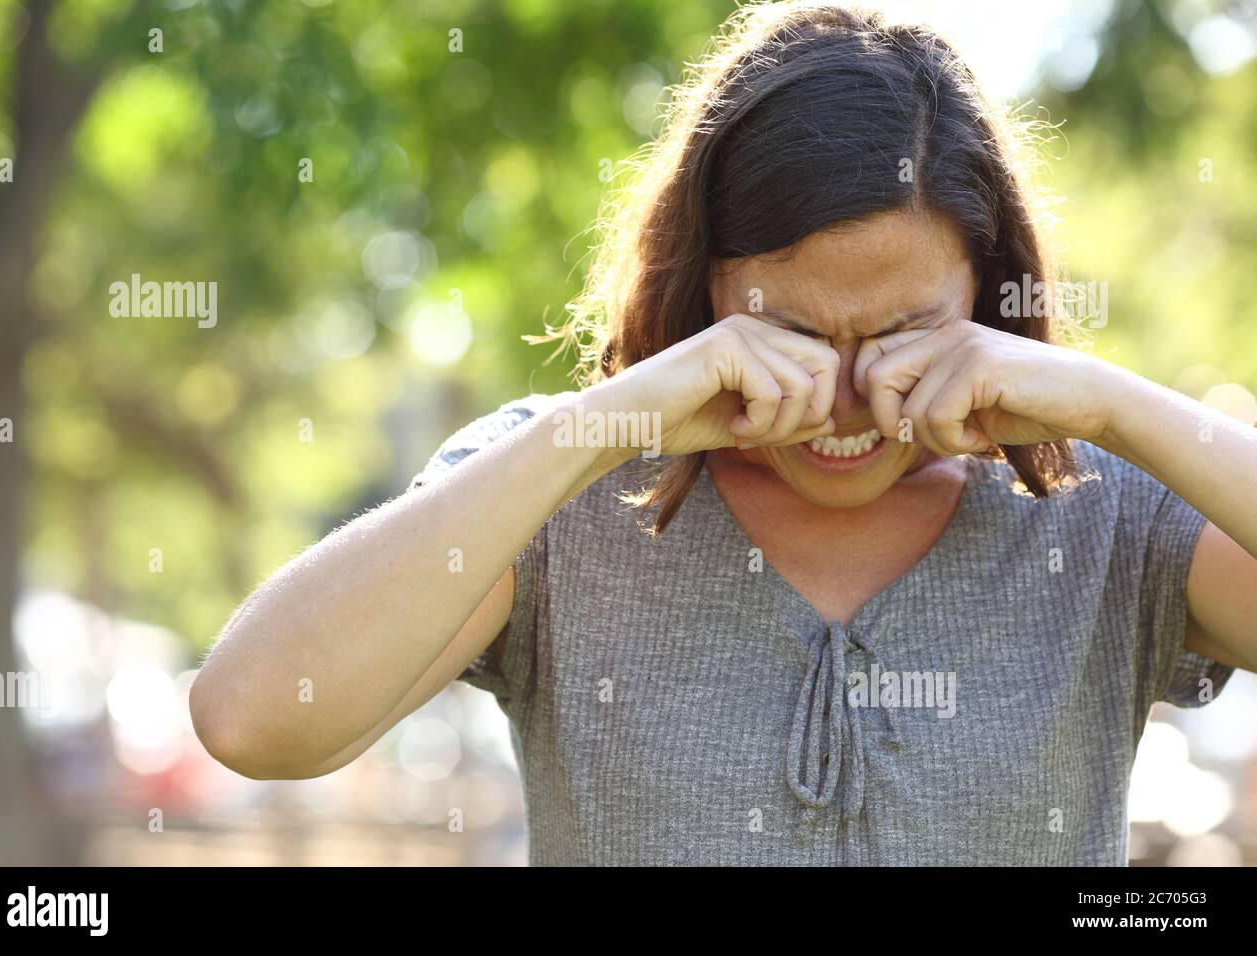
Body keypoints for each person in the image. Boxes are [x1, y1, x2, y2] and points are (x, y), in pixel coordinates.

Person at [190, 2, 1257, 865]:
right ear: (703, 289)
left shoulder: (1103, 503)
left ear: (986, 288)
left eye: (904, 331)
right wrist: (604, 423)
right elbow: (253, 719)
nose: (844, 397)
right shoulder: (557, 493)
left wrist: (1120, 405)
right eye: (788, 330)